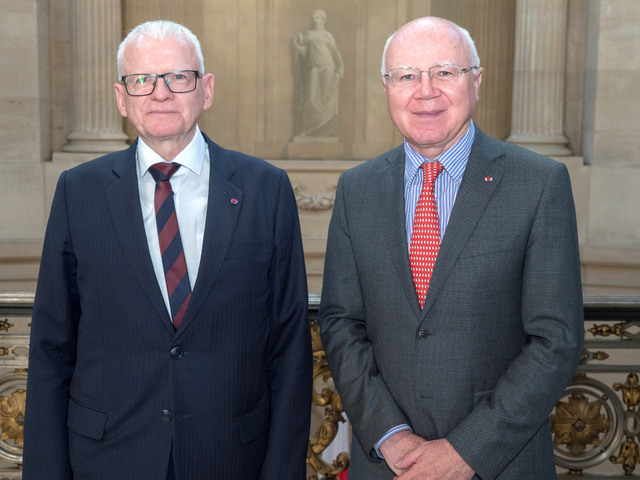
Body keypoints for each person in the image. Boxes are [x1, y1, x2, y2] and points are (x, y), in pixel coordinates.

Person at [23, 20, 312, 480]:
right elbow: (52, 347)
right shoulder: (79, 193)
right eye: (142, 80)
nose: (160, 93)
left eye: (178, 77)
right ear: (122, 98)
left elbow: (289, 347)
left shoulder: (265, 190)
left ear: (206, 89)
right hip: (108, 459)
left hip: (231, 458)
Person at [319, 16, 583, 480]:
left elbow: (555, 340)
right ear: (387, 87)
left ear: (475, 81)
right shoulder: (356, 188)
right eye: (406, 76)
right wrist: (390, 435)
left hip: (501, 464)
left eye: (444, 72)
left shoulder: (538, 183)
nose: (425, 91)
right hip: (387, 464)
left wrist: (465, 452)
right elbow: (342, 324)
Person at [292, 9, 344, 137]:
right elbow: (303, 53)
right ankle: (309, 130)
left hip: (328, 66)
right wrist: (295, 43)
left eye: (317, 17)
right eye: (313, 17)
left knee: (326, 98)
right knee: (311, 97)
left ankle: (323, 131)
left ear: (323, 19)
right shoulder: (307, 34)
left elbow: (335, 52)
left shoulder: (327, 35)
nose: (314, 19)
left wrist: (340, 67)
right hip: (312, 67)